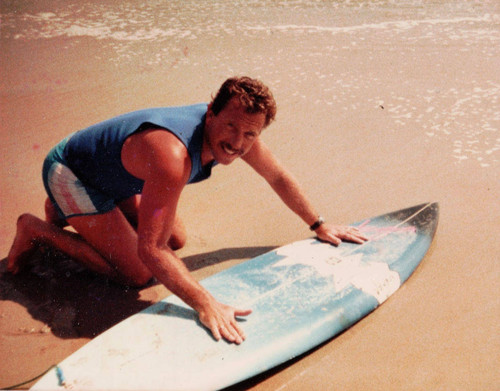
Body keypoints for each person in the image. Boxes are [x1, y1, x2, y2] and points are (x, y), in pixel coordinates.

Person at [7, 76, 368, 344]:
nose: (238, 143)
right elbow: (152, 250)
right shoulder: (172, 156)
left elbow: (277, 177)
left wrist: (318, 224)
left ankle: (70, 214)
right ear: (211, 112)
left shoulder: (242, 133)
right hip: (72, 173)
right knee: (136, 273)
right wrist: (205, 303)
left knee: (176, 238)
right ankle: (39, 229)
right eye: (231, 127)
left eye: (250, 135)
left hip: (113, 175)